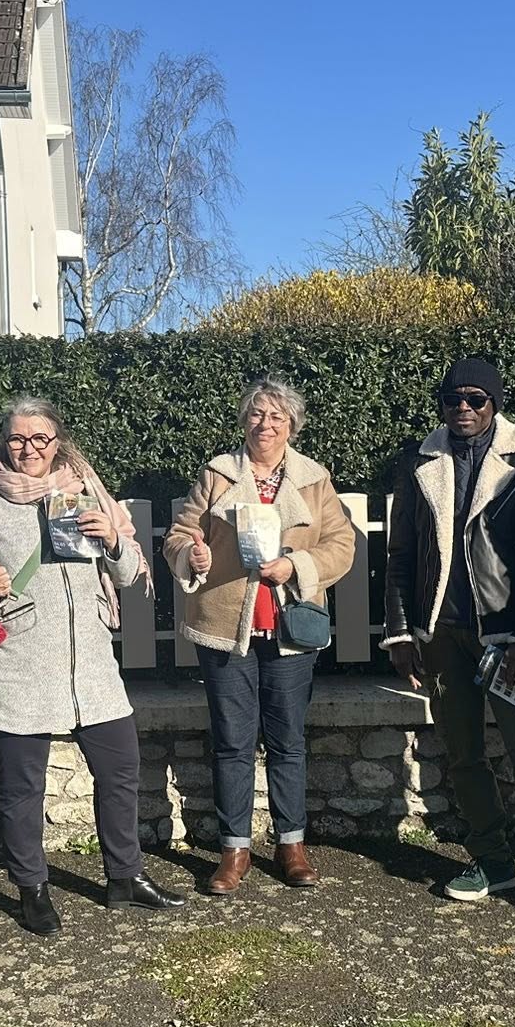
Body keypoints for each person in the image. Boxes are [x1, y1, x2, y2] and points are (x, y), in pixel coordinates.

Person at [0, 397, 186, 932]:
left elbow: (124, 577)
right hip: (20, 663)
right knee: (22, 786)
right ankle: (31, 888)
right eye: (17, 439)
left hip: (92, 664)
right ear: (2, 443)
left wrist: (115, 541)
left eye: (40, 439)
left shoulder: (85, 492)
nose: (29, 449)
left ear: (58, 443)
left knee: (120, 770)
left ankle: (125, 877)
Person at [382, 357, 515, 927]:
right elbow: (400, 556)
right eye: (453, 400)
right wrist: (400, 633)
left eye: (476, 399)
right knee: (463, 755)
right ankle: (493, 861)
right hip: (442, 635)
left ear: (495, 404)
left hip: (508, 637)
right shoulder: (421, 462)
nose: (463, 409)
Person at [164, 377, 357, 894]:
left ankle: (291, 844)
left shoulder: (315, 480)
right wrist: (192, 554)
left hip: (290, 626)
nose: (265, 425)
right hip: (227, 626)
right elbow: (180, 534)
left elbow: (342, 544)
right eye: (256, 415)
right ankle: (234, 850)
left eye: (276, 417)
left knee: (289, 740)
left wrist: (296, 566)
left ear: (291, 424)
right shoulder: (218, 475)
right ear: (244, 420)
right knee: (232, 741)